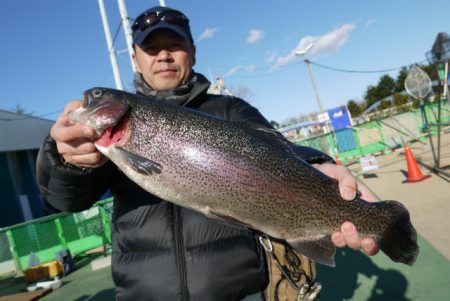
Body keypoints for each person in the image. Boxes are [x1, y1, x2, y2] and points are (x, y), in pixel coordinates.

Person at [36, 6, 378, 301]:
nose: (164, 55)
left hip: (240, 291)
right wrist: (65, 159)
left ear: (193, 53)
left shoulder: (231, 109)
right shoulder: (107, 140)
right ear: (136, 60)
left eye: (175, 45)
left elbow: (282, 151)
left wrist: (319, 165)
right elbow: (64, 199)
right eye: (151, 47)